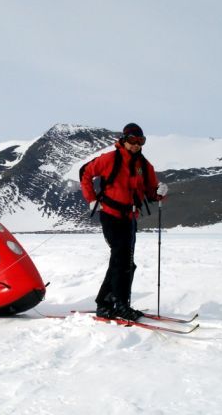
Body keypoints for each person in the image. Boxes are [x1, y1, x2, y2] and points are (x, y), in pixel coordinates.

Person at [80, 123, 168, 321]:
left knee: (125, 262)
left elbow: (151, 192)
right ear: (124, 139)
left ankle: (107, 303)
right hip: (110, 215)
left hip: (130, 219)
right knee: (122, 260)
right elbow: (85, 172)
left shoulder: (144, 166)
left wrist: (160, 193)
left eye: (140, 141)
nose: (136, 145)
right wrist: (91, 199)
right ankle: (118, 304)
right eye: (132, 140)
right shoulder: (109, 159)